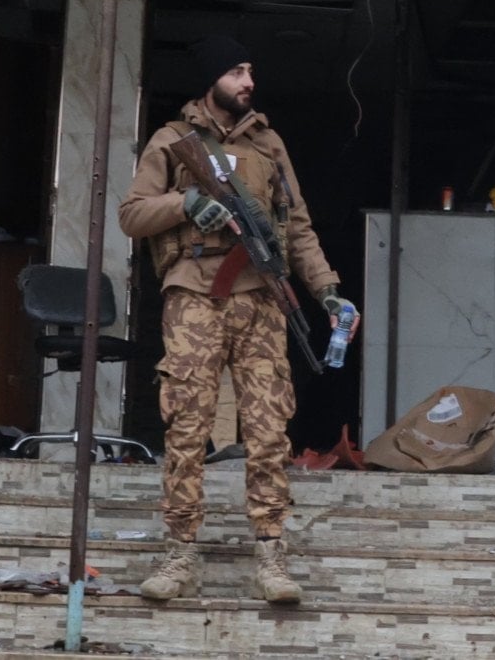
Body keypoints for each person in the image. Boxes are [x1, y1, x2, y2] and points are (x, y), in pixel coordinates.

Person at [119, 33, 359, 605]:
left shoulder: (268, 145)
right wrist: (185, 204)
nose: (249, 81)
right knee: (187, 426)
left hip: (260, 299)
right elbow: (131, 214)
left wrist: (327, 291)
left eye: (250, 71)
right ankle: (180, 553)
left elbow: (298, 228)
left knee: (269, 429)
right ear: (212, 80)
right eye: (236, 71)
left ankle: (271, 555)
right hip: (193, 297)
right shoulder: (171, 141)